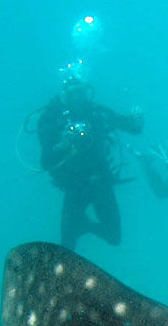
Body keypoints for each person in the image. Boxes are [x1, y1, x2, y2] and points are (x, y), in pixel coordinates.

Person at [34, 76, 143, 250]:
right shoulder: (52, 119)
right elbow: (45, 163)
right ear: (64, 97)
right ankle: (80, 224)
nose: (77, 98)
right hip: (73, 186)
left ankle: (84, 223)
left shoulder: (96, 114)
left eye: (80, 93)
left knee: (114, 237)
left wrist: (137, 119)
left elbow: (132, 127)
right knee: (67, 247)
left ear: (87, 93)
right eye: (72, 94)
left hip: (101, 182)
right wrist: (61, 146)